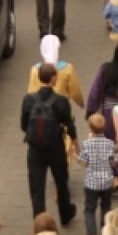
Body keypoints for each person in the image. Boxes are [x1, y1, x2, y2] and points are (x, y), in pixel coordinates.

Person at [21, 62, 78, 223]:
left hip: (35, 149)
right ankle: (65, 213)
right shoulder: (61, 101)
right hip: (55, 147)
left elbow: (23, 124)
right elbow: (69, 124)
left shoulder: (28, 99)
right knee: (61, 181)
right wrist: (74, 141)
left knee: (37, 187)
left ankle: (40, 221)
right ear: (54, 78)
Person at [78, 112, 118, 235]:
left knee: (89, 209)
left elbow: (83, 162)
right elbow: (113, 163)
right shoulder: (110, 144)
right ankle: (104, 234)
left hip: (91, 183)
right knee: (106, 208)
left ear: (90, 128)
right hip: (106, 182)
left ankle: (91, 233)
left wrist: (77, 157)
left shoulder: (86, 144)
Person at [27, 33, 85, 109]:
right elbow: (75, 91)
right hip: (61, 108)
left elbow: (31, 92)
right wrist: (80, 102)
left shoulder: (35, 69)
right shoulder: (67, 68)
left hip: (41, 111)